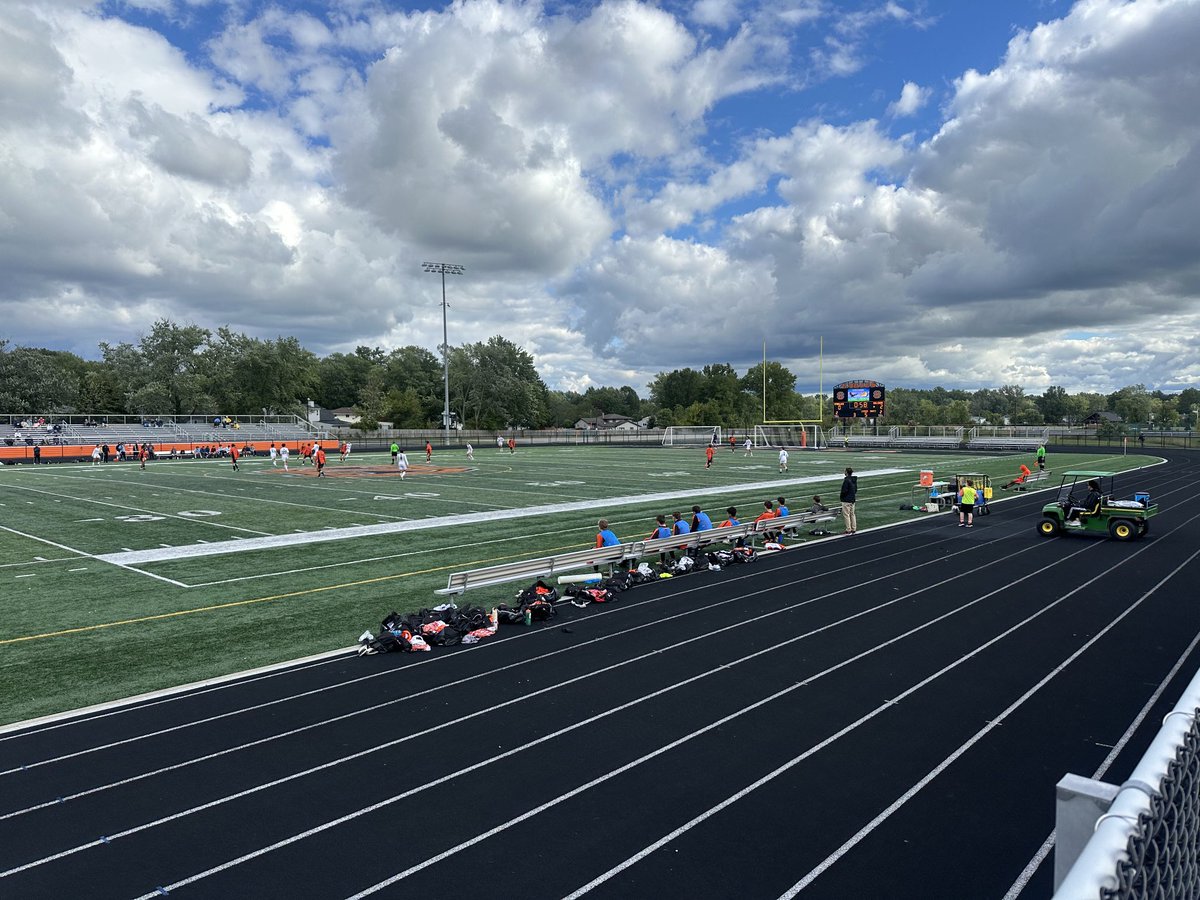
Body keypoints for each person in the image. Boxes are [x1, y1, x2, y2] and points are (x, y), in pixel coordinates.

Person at [840, 466, 858, 534]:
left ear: (846, 472)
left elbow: (844, 490)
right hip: (852, 499)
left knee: (846, 515)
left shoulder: (846, 480)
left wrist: (842, 497)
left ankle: (848, 529)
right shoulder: (854, 480)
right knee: (852, 514)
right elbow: (855, 490)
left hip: (846, 500)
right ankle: (854, 528)